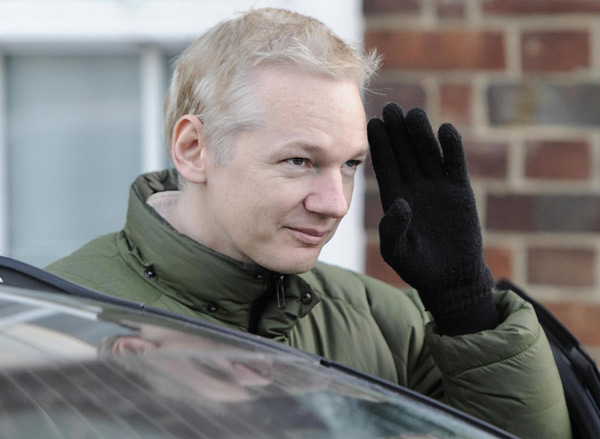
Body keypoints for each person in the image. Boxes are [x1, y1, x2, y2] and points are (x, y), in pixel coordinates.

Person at [47, 7, 572, 438]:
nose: (336, 203)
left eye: (349, 165)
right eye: (300, 161)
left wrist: (466, 310)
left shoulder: (383, 322)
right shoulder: (55, 320)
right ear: (193, 149)